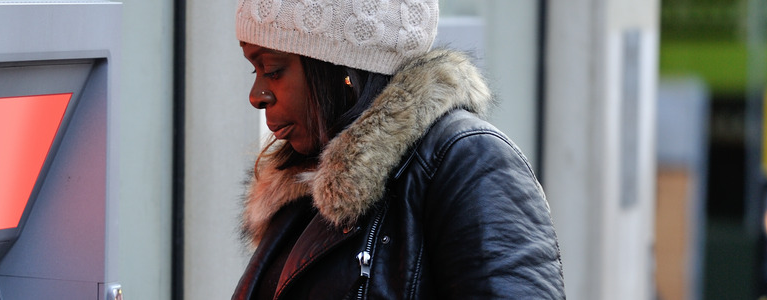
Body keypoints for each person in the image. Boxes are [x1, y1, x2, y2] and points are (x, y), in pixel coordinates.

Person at [231, 0, 566, 299]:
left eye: (273, 70)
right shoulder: (299, 189)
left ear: (339, 69)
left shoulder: (469, 160)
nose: (256, 95)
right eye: (254, 69)